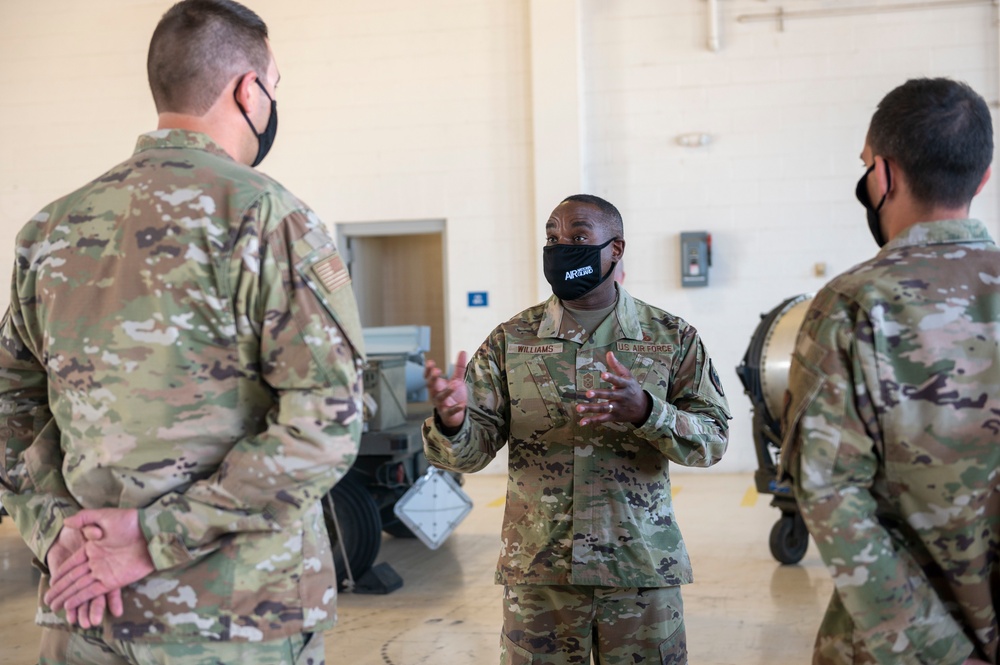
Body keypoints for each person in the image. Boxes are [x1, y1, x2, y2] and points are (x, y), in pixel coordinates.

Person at [0, 1, 366, 663]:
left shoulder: (48, 232)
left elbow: (9, 409)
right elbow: (326, 425)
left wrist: (56, 535)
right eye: (273, 86)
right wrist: (149, 538)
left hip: (87, 614)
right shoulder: (269, 220)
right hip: (233, 621)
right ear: (248, 90)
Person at [423, 194, 731, 665]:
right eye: (552, 237)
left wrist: (649, 411)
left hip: (640, 573)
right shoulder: (512, 339)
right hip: (541, 577)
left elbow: (711, 441)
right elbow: (470, 452)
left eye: (579, 236)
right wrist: (453, 422)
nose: (562, 246)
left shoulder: (672, 338)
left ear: (616, 249)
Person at [780, 77, 999, 665]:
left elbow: (830, 492)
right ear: (982, 178)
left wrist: (941, 653)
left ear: (882, 175)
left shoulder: (853, 305)